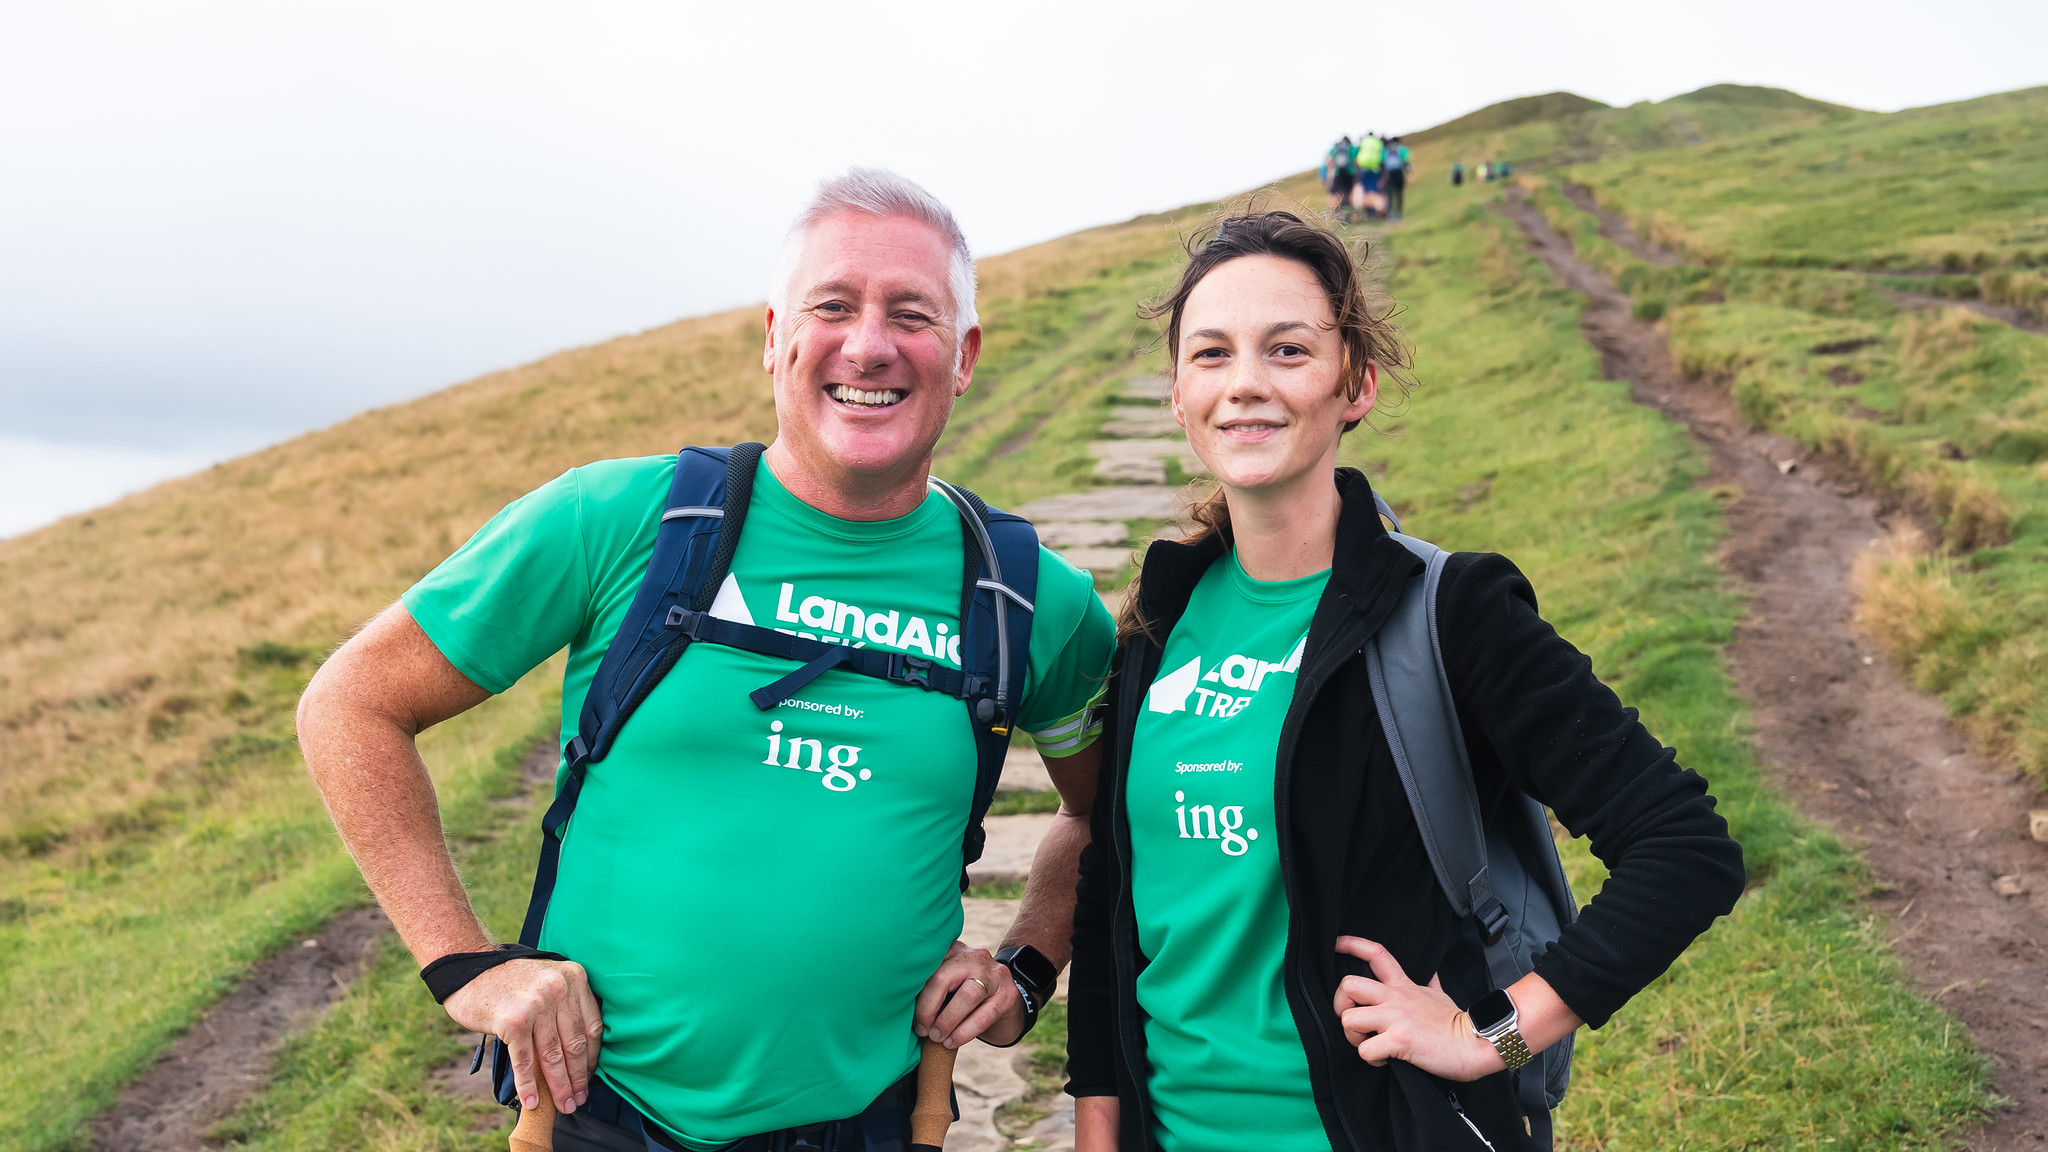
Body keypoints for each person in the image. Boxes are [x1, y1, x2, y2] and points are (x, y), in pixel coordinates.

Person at [298, 169, 1116, 1152]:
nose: (868, 345)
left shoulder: (1035, 601)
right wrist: (460, 963)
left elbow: (1097, 811)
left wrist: (1026, 966)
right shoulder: (614, 521)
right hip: (602, 1114)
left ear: (964, 354)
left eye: (912, 314)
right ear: (774, 335)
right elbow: (352, 704)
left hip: (870, 1124)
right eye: (832, 306)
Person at [1064, 209, 1745, 1151]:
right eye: (1211, 355)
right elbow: (1114, 891)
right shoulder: (1157, 618)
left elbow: (1685, 846)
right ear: (1179, 395)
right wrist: (1099, 1120)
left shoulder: (1449, 611)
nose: (1247, 384)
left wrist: (1488, 1035)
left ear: (1357, 385)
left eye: (1289, 349)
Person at [1350, 132, 1385, 219]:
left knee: (1365, 191)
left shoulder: (1363, 141)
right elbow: (1382, 156)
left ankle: (1369, 212)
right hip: (1375, 168)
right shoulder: (1378, 142)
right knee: (1373, 190)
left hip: (1363, 168)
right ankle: (1374, 212)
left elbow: (1356, 155)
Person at [1324, 136, 1356, 221]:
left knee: (1337, 193)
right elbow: (1355, 161)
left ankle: (1337, 213)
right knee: (1348, 193)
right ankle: (1348, 213)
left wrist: (1329, 174)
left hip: (1338, 174)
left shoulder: (1336, 149)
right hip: (1349, 174)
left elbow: (1329, 161)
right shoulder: (1351, 148)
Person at [1381, 136, 1411, 220]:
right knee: (1399, 194)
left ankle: (1390, 214)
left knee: (1389, 194)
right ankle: (1399, 213)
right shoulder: (1402, 149)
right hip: (1399, 174)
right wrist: (1409, 174)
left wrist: (1383, 177)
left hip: (1389, 175)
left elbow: (1382, 163)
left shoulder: (1386, 150)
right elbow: (1407, 162)